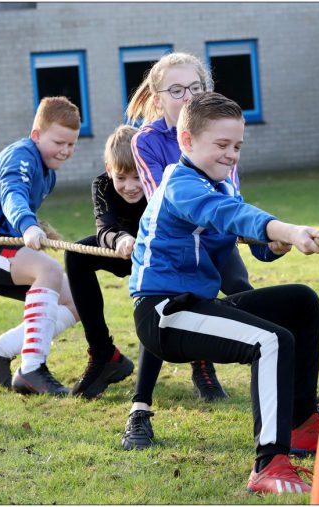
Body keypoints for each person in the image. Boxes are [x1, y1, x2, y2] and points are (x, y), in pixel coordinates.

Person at [128, 92, 319, 494]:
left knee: (301, 301)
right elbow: (227, 215)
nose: (231, 154)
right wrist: (286, 229)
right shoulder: (180, 184)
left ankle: (302, 424)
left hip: (197, 305)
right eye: (221, 144)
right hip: (163, 314)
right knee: (271, 341)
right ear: (187, 141)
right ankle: (269, 464)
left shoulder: (218, 187)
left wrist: (273, 245)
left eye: (237, 146)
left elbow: (232, 237)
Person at [124, 53, 243, 418]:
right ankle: (142, 404)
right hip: (173, 239)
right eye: (176, 90)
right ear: (158, 99)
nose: (188, 96)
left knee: (241, 289)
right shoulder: (146, 140)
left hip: (215, 233)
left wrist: (252, 229)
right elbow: (160, 196)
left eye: (195, 87)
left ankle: (266, 364)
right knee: (165, 302)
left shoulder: (218, 130)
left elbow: (230, 190)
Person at [0, 96, 81, 396]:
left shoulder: (48, 174)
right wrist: (27, 225)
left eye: (71, 144)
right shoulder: (21, 155)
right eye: (58, 142)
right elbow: (13, 194)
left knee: (76, 299)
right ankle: (32, 370)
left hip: (2, 249)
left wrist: (37, 228)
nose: (65, 150)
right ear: (36, 135)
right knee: (49, 270)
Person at [63, 125, 141, 399]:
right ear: (109, 169)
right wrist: (121, 239)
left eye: (137, 176)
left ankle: (201, 364)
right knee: (75, 255)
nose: (130, 186)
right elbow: (104, 228)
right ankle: (103, 354)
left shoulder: (160, 180)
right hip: (121, 249)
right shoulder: (102, 185)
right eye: (121, 177)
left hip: (159, 252)